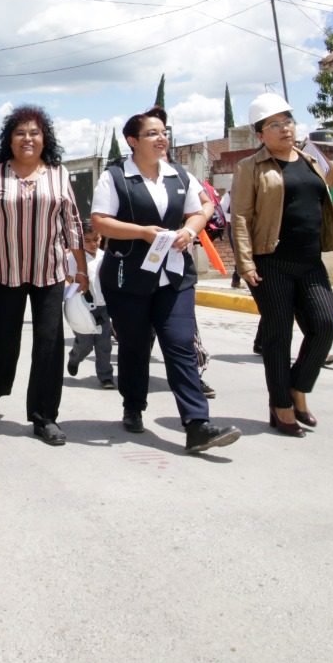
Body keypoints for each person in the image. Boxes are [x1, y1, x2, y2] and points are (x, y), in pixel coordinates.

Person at [91, 106, 240, 453]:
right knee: (134, 346)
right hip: (128, 280)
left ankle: (197, 424)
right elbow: (99, 221)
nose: (162, 139)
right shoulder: (115, 178)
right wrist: (142, 232)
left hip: (174, 277)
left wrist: (191, 230)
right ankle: (133, 405)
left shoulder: (179, 175)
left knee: (180, 345)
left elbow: (200, 209)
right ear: (133, 141)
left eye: (164, 132)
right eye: (152, 134)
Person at [232, 93, 333, 437]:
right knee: (277, 336)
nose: (285, 128)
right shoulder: (250, 168)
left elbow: (327, 207)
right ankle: (282, 407)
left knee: (326, 324)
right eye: (275, 124)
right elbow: (240, 217)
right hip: (271, 262)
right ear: (260, 134)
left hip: (309, 261)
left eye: (287, 121)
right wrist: (245, 263)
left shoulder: (310, 161)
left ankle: (298, 388)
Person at [0, 106, 86, 445]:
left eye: (34, 132)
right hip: (6, 273)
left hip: (48, 272)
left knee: (49, 345)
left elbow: (72, 224)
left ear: (44, 138)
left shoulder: (59, 174)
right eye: (20, 132)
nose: (28, 138)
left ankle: (44, 416)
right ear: (9, 139)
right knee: (4, 342)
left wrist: (80, 267)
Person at [66, 226, 114, 388]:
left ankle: (106, 376)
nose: (93, 244)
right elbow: (69, 280)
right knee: (85, 343)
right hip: (83, 308)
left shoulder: (105, 257)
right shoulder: (74, 258)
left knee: (104, 344)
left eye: (96, 240)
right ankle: (75, 357)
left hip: (103, 307)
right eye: (87, 241)